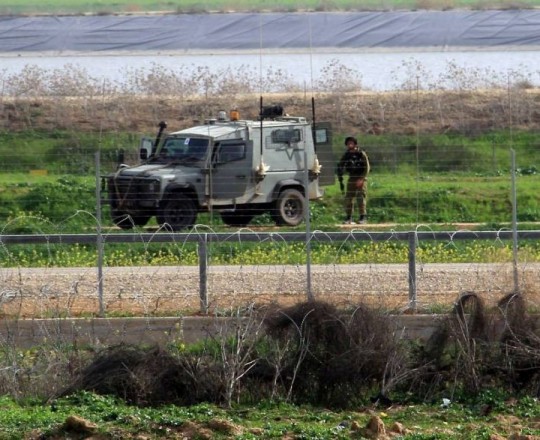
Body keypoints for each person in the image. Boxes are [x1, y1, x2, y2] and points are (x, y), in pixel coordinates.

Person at [336, 136, 370, 224]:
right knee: (349, 198)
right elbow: (341, 165)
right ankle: (349, 217)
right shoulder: (347, 155)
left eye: (351, 143)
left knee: (360, 197)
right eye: (348, 143)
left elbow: (367, 167)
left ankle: (363, 217)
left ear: (355, 144)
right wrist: (340, 173)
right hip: (352, 177)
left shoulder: (361, 154)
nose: (349, 145)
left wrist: (362, 179)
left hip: (361, 177)